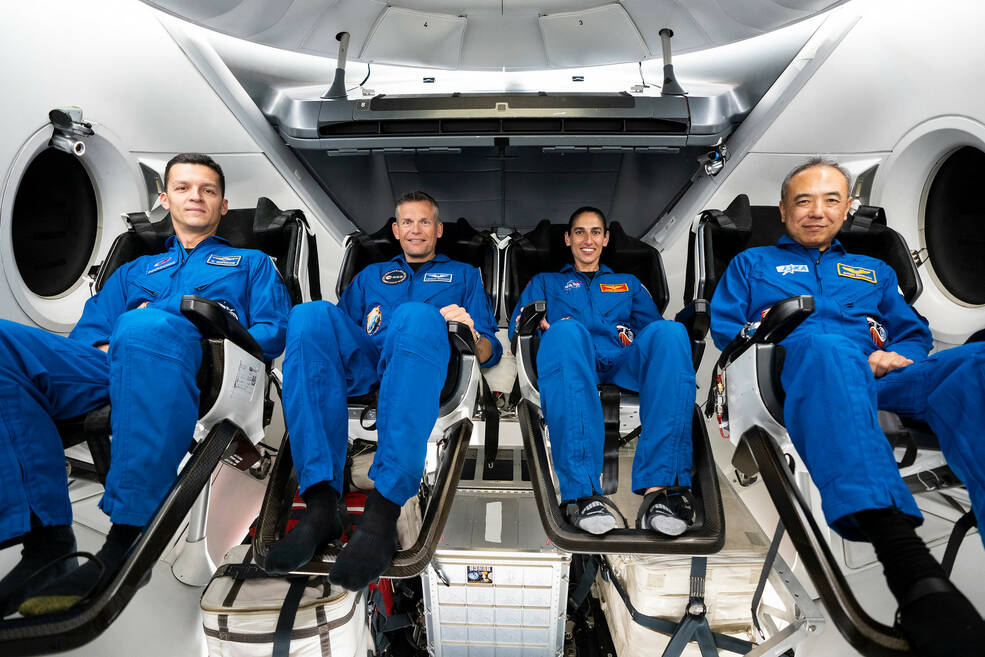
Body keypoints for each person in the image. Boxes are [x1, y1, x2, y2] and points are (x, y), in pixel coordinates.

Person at [710, 157, 985, 656]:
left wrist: (899, 355)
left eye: (831, 200)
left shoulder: (875, 271)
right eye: (804, 201)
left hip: (880, 376)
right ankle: (905, 561)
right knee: (827, 348)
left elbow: (913, 332)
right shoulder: (751, 265)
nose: (817, 211)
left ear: (847, 208)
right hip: (794, 375)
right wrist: (776, 333)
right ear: (784, 209)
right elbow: (728, 333)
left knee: (978, 362)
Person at [0, 153, 291, 617]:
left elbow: (273, 332)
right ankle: (47, 542)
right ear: (165, 200)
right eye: (183, 188)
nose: (195, 196)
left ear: (222, 205)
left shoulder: (251, 263)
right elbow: (87, 335)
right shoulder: (134, 272)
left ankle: (127, 540)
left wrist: (171, 317)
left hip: (207, 367)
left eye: (207, 190)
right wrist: (109, 343)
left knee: (143, 329)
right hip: (115, 366)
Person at [266, 190, 501, 590]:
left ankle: (382, 511)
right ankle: (322, 504)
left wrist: (468, 330)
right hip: (365, 363)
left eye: (424, 221)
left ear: (438, 229)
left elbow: (490, 350)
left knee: (416, 315)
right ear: (395, 230)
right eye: (407, 222)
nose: (415, 229)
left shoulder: (464, 275)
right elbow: (332, 335)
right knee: (307, 315)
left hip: (425, 367)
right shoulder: (369, 276)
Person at [508, 207, 696, 536]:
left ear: (606, 239)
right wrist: (541, 328)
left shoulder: (629, 284)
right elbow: (517, 331)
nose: (588, 239)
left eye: (595, 232)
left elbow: (652, 332)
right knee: (566, 332)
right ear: (567, 239)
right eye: (579, 232)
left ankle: (660, 493)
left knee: (671, 333)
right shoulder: (546, 282)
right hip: (573, 360)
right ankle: (583, 495)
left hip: (623, 360)